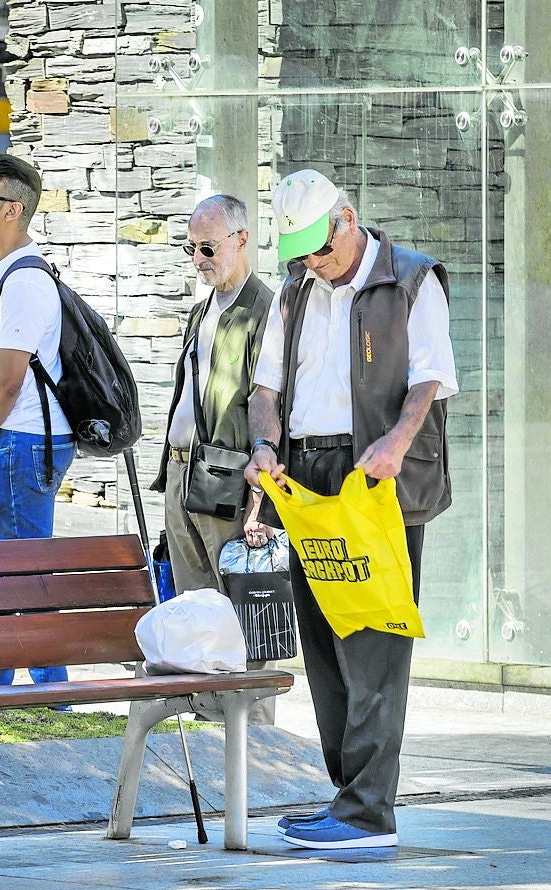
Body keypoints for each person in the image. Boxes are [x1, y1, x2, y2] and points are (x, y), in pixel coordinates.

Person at [244, 170, 458, 851]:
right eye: (302, 252)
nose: (315, 263)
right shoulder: (294, 292)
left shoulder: (413, 280)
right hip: (306, 476)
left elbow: (430, 376)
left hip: (374, 477)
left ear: (349, 218)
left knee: (373, 646)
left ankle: (369, 812)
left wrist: (397, 443)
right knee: (323, 647)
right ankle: (348, 796)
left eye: (322, 248)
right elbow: (266, 387)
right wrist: (262, 446)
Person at [0, 153, 73, 689]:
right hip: (11, 439)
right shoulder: (1, 270)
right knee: (4, 574)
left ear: (12, 210)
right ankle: (6, 689)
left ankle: (42, 693)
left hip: (20, 442)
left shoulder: (26, 280)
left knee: (17, 578)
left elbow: (10, 378)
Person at [151, 194, 275, 592]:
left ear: (241, 240)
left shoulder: (266, 311)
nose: (198, 258)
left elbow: (273, 409)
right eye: (191, 248)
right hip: (181, 471)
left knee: (237, 609)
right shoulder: (202, 310)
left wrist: (261, 501)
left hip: (229, 481)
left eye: (208, 247)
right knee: (192, 612)